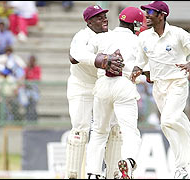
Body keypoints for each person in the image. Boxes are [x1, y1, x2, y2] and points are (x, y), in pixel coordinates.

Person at [130, 1, 190, 179]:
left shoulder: (177, 33)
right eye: (146, 11)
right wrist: (136, 70)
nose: (146, 15)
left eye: (150, 12)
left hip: (177, 84)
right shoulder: (144, 37)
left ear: (162, 15)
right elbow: (141, 63)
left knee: (168, 121)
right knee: (184, 131)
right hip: (159, 87)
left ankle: (181, 168)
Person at [85, 7, 145, 179]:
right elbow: (143, 70)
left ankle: (93, 173)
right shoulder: (137, 41)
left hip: (102, 84)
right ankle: (128, 161)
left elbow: (81, 56)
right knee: (129, 131)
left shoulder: (103, 36)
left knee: (98, 132)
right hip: (124, 85)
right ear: (135, 24)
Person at [66, 5, 124, 179]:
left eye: (105, 16)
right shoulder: (82, 36)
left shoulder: (111, 35)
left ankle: (113, 174)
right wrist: (101, 60)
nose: (104, 19)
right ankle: (73, 175)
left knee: (114, 130)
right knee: (80, 131)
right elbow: (74, 56)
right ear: (89, 22)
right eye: (99, 18)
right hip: (81, 87)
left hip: (104, 86)